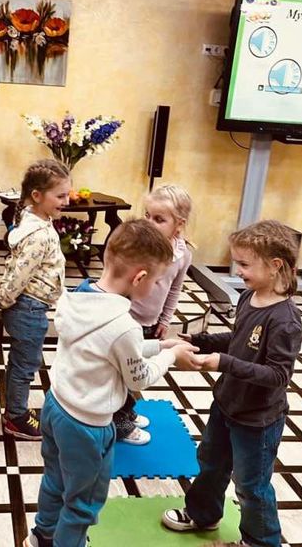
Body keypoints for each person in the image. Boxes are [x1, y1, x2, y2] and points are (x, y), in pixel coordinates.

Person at [25, 219, 204, 547]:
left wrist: (160, 346)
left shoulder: (77, 298)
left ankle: (42, 535)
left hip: (56, 407)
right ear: (140, 277)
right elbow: (139, 376)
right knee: (83, 503)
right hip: (87, 426)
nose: (157, 287)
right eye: (157, 281)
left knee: (55, 480)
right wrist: (170, 357)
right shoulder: (124, 326)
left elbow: (107, 348)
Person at [161, 219, 302, 547]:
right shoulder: (248, 297)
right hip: (226, 404)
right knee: (211, 464)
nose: (237, 270)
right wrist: (202, 342)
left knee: (251, 485)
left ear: (275, 265)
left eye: (244, 264)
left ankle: (259, 540)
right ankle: (203, 514)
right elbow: (239, 338)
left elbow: (278, 376)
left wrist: (224, 363)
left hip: (257, 419)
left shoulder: (285, 321)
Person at [0, 159, 71, 440]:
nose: (66, 201)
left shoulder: (36, 219)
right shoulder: (39, 234)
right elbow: (20, 273)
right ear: (37, 195)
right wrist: (4, 299)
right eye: (60, 196)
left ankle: (14, 410)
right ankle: (16, 417)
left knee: (20, 362)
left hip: (30, 307)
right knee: (25, 366)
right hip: (28, 308)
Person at [117, 184, 193, 445]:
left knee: (134, 371)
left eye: (159, 219)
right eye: (147, 216)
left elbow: (174, 289)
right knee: (121, 373)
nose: (149, 224)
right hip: (125, 320)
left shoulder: (183, 255)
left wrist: (165, 319)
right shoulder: (138, 247)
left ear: (179, 224)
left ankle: (126, 410)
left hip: (149, 323)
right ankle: (119, 422)